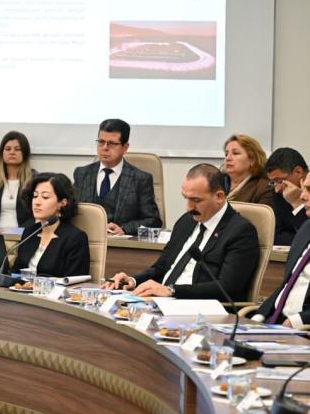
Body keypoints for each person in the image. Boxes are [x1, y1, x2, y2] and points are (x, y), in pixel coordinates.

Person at [107, 164, 259, 300]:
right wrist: (133, 280)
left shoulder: (240, 232)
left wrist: (172, 291)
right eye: (186, 198)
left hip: (200, 309)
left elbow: (227, 288)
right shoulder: (186, 221)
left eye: (196, 200)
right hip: (163, 301)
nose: (188, 207)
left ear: (219, 197)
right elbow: (162, 267)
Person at [73, 118, 161, 235]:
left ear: (125, 147)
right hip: (85, 240)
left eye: (112, 143)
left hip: (120, 243)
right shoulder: (82, 174)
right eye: (101, 142)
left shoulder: (140, 179)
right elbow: (71, 211)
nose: (104, 147)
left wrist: (124, 229)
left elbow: (154, 221)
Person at [252, 171, 310, 328]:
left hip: (300, 329)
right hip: (274, 322)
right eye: (304, 189)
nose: (303, 196)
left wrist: (296, 321)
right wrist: (257, 317)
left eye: (309, 190)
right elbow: (287, 284)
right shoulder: (306, 228)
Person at [10, 173, 89, 277]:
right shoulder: (29, 232)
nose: (37, 202)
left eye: (45, 197)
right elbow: (15, 272)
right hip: (22, 287)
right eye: (35, 196)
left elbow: (74, 280)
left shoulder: (75, 238)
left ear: (62, 202)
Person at [265, 147, 308, 245]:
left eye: (280, 181)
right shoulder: (279, 191)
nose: (276, 189)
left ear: (298, 172)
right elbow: (274, 236)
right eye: (273, 182)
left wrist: (297, 203)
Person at [223, 134, 274, 207]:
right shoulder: (215, 183)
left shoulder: (264, 188)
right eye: (226, 154)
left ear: (252, 160)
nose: (228, 158)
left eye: (235, 153)